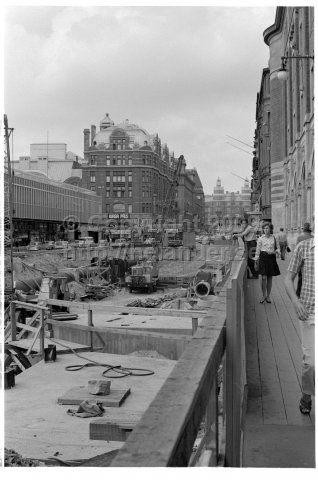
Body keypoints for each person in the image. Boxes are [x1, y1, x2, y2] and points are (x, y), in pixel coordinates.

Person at [284, 236, 315, 414]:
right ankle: (306, 395)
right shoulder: (304, 247)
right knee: (311, 363)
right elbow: (288, 280)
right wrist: (296, 303)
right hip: (309, 312)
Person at [254, 222, 280, 303]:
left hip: (271, 258)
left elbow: (278, 249)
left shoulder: (274, 238)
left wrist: (274, 252)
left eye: (267, 228)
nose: (265, 230)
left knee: (269, 278)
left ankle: (268, 296)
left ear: (270, 229)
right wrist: (256, 261)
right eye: (264, 228)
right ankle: (263, 295)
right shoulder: (260, 238)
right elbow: (257, 250)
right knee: (264, 277)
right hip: (263, 258)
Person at [296, 223, 313, 297]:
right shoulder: (313, 237)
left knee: (300, 277)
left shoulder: (300, 237)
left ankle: (299, 292)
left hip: (301, 260)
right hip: (310, 260)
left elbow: (297, 249)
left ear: (303, 229)